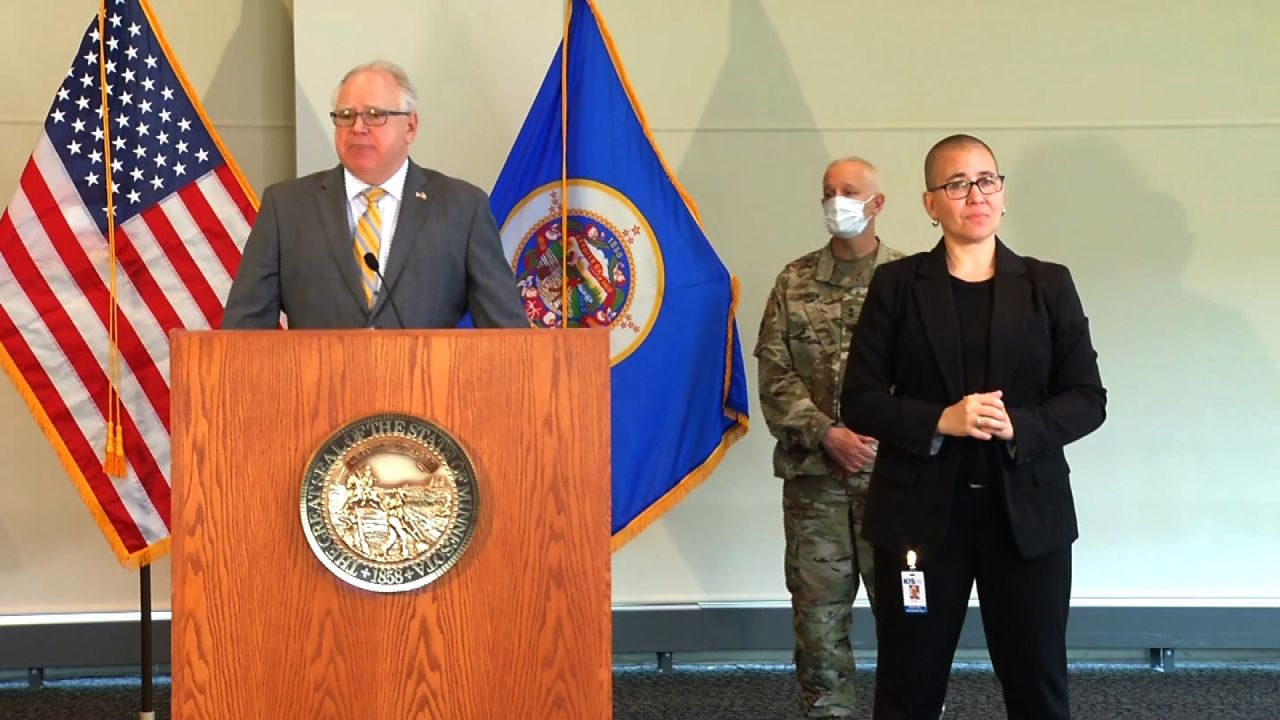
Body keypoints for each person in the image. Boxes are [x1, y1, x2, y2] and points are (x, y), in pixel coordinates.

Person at [839, 134, 1107, 719]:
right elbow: (857, 400)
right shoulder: (898, 286)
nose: (975, 194)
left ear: (1003, 194)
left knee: (1038, 684)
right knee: (909, 687)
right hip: (921, 519)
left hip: (1027, 521)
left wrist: (1021, 424)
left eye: (986, 180)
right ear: (931, 203)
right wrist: (941, 419)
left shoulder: (1048, 284)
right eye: (956, 184)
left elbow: (1088, 399)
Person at [755, 157, 905, 718]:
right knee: (818, 623)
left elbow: (932, 379)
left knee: (907, 616)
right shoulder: (793, 281)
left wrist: (880, 439)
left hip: (895, 481)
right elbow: (773, 373)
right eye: (828, 191)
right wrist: (825, 433)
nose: (836, 201)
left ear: (877, 203)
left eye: (849, 191)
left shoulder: (911, 280)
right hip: (816, 483)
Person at [222, 60, 526, 329]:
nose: (357, 128)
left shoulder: (462, 208)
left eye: (375, 115)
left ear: (410, 126)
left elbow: (507, 334)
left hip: (427, 390)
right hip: (316, 391)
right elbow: (243, 332)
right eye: (345, 115)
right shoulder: (286, 208)